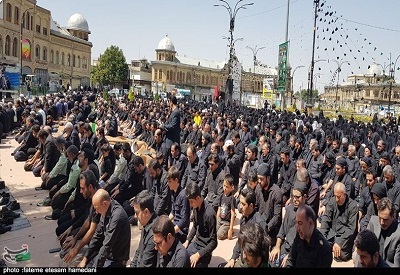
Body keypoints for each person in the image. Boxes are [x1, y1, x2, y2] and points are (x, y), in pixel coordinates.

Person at [77, 189, 131, 267]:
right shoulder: (105, 211)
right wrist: (85, 258)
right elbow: (97, 236)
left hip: (116, 260)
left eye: (97, 208)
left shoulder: (117, 216)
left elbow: (107, 245)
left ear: (104, 204)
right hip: (106, 256)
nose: (96, 212)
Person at [61, 170, 101, 266]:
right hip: (91, 242)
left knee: (65, 264)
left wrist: (76, 249)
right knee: (63, 253)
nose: (80, 191)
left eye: (83, 188)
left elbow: (92, 230)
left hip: (98, 247)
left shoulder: (98, 200)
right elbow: (88, 220)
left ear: (90, 187)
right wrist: (75, 238)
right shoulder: (91, 196)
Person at [269, 181, 307, 267]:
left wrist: (290, 256)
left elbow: (305, 243)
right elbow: (282, 231)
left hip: (299, 251)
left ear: (304, 197)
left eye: (297, 197)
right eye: (293, 197)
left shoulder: (308, 215)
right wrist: (277, 246)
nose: (294, 200)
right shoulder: (289, 209)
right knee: (272, 261)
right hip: (286, 246)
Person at [319, 181, 358, 262]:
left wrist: (339, 243)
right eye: (335, 196)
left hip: (344, 236)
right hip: (332, 233)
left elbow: (351, 229)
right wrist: (323, 237)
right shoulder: (332, 201)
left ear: (344, 194)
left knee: (341, 255)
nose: (336, 199)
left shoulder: (353, 206)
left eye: (339, 197)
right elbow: (326, 219)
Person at [183, 181, 217, 267]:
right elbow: (195, 226)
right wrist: (187, 240)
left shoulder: (210, 214)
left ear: (198, 198)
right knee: (182, 258)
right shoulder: (196, 207)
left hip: (205, 250)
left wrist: (198, 254)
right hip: (196, 244)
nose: (190, 205)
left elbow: (214, 242)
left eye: (191, 202)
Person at [366, 197, 400, 267]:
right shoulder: (373, 221)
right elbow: (364, 246)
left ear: (393, 216)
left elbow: (397, 264)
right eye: (379, 218)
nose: (381, 222)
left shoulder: (398, 234)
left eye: (385, 219)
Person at [130, 190, 158, 267]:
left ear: (146, 212)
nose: (135, 216)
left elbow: (146, 264)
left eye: (137, 213)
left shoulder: (154, 234)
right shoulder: (146, 224)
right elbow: (138, 252)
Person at [166, 165, 190, 244]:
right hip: (175, 226)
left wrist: (172, 231)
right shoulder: (173, 192)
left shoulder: (183, 196)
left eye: (170, 181)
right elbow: (173, 212)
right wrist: (165, 222)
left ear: (176, 180)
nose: (168, 184)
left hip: (181, 231)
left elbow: (184, 220)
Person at [216, 174, 236, 240]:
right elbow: (219, 209)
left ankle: (228, 231)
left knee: (219, 236)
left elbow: (233, 214)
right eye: (224, 185)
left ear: (231, 187)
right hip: (220, 220)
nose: (224, 188)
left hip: (226, 222)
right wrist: (216, 220)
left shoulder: (232, 198)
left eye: (227, 187)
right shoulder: (221, 196)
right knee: (213, 230)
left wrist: (231, 228)